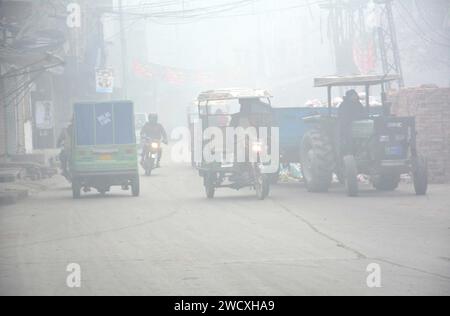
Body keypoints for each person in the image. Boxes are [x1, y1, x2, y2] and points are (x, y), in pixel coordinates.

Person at [338, 89, 367, 155]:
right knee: (349, 138)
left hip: (360, 126)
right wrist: (354, 118)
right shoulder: (344, 105)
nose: (355, 97)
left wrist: (362, 117)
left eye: (355, 95)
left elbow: (363, 113)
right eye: (353, 95)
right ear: (349, 96)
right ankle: (349, 151)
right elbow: (344, 117)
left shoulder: (358, 104)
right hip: (347, 127)